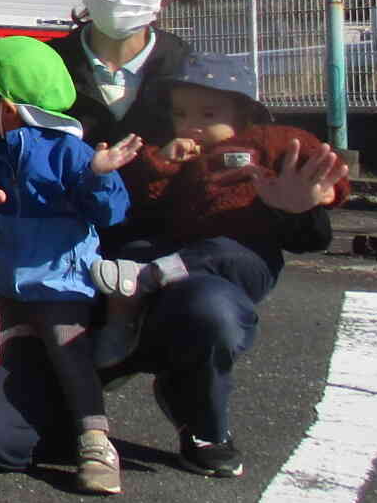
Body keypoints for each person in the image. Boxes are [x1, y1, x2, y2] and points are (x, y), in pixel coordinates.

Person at [0, 0, 349, 480]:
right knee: (3, 445)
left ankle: (197, 411)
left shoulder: (199, 77)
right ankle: (81, 392)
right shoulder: (40, 67)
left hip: (168, 274)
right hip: (62, 278)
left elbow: (261, 181)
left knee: (210, 312)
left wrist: (298, 211)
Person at [90, 55, 349, 474]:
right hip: (165, 261)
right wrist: (162, 167)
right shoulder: (172, 154)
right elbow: (139, 207)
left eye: (209, 114)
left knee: (213, 297)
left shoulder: (265, 143)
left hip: (236, 260)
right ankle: (117, 345)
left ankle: (203, 424)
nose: (192, 124)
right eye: (181, 113)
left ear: (243, 114)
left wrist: (311, 201)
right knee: (130, 255)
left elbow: (320, 176)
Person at [0, 34, 139, 496]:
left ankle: (95, 440)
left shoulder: (72, 153)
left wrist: (99, 176)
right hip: (0, 283)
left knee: (68, 352)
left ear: (8, 108)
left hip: (61, 284)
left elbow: (112, 213)